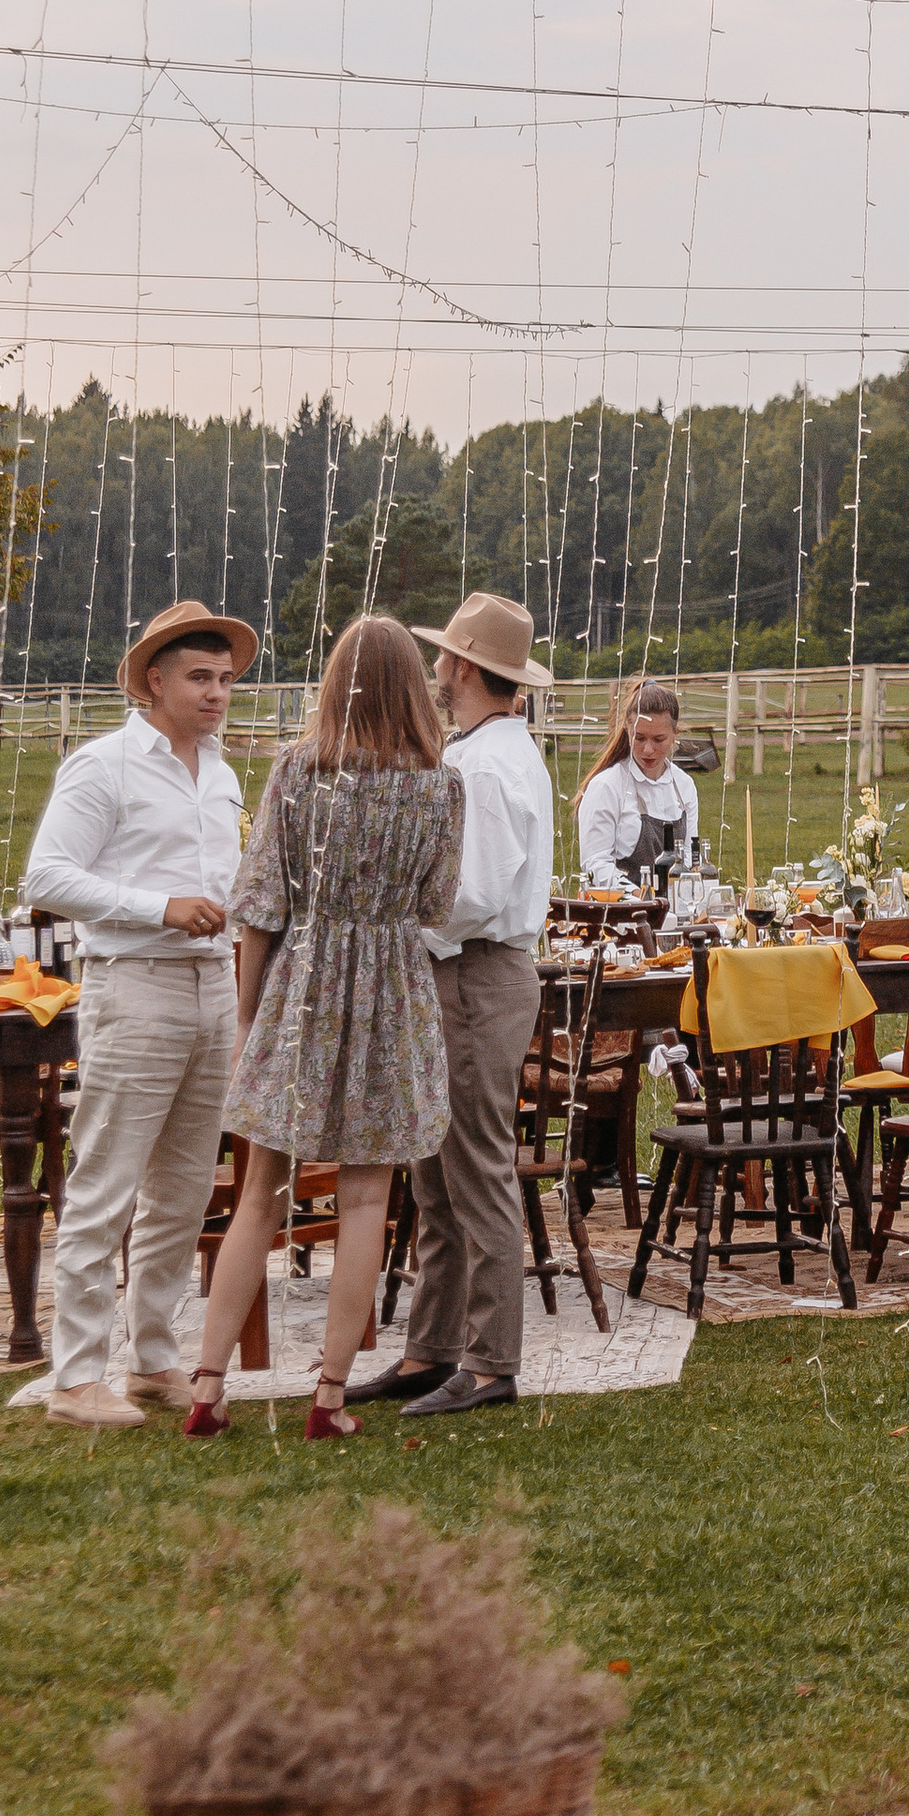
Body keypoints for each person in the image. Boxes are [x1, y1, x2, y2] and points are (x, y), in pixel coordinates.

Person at [181, 617, 464, 1438]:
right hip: (391, 991)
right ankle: (331, 1398)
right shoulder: (441, 783)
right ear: (415, 686)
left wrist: (247, 1014)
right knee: (366, 1198)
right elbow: (436, 904)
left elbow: (260, 903)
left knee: (258, 1197)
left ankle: (206, 1387)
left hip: (299, 985)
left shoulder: (300, 771)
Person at [22, 599, 258, 1431]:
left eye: (226, 679)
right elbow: (46, 878)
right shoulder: (105, 765)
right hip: (136, 982)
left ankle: (154, 1355)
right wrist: (159, 906)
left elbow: (228, 883)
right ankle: (76, 1377)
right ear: (154, 680)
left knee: (187, 1190)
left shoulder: (225, 773)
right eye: (201, 677)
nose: (217, 693)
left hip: (213, 990)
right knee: (106, 1183)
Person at [350, 590, 557, 1416]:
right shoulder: (483, 753)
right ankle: (432, 1350)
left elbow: (471, 892)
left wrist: (394, 911)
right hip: (460, 972)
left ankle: (490, 1358)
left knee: (473, 1169)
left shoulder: (489, 764)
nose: (435, 669)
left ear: (465, 667)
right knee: (434, 1177)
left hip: (473, 972)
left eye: (443, 657)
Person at [576, 678, 700, 890]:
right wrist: (638, 897)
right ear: (627, 730)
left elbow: (689, 854)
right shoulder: (607, 787)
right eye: (639, 738)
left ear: (674, 734)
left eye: (658, 739)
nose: (648, 750)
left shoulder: (684, 785)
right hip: (621, 912)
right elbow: (595, 864)